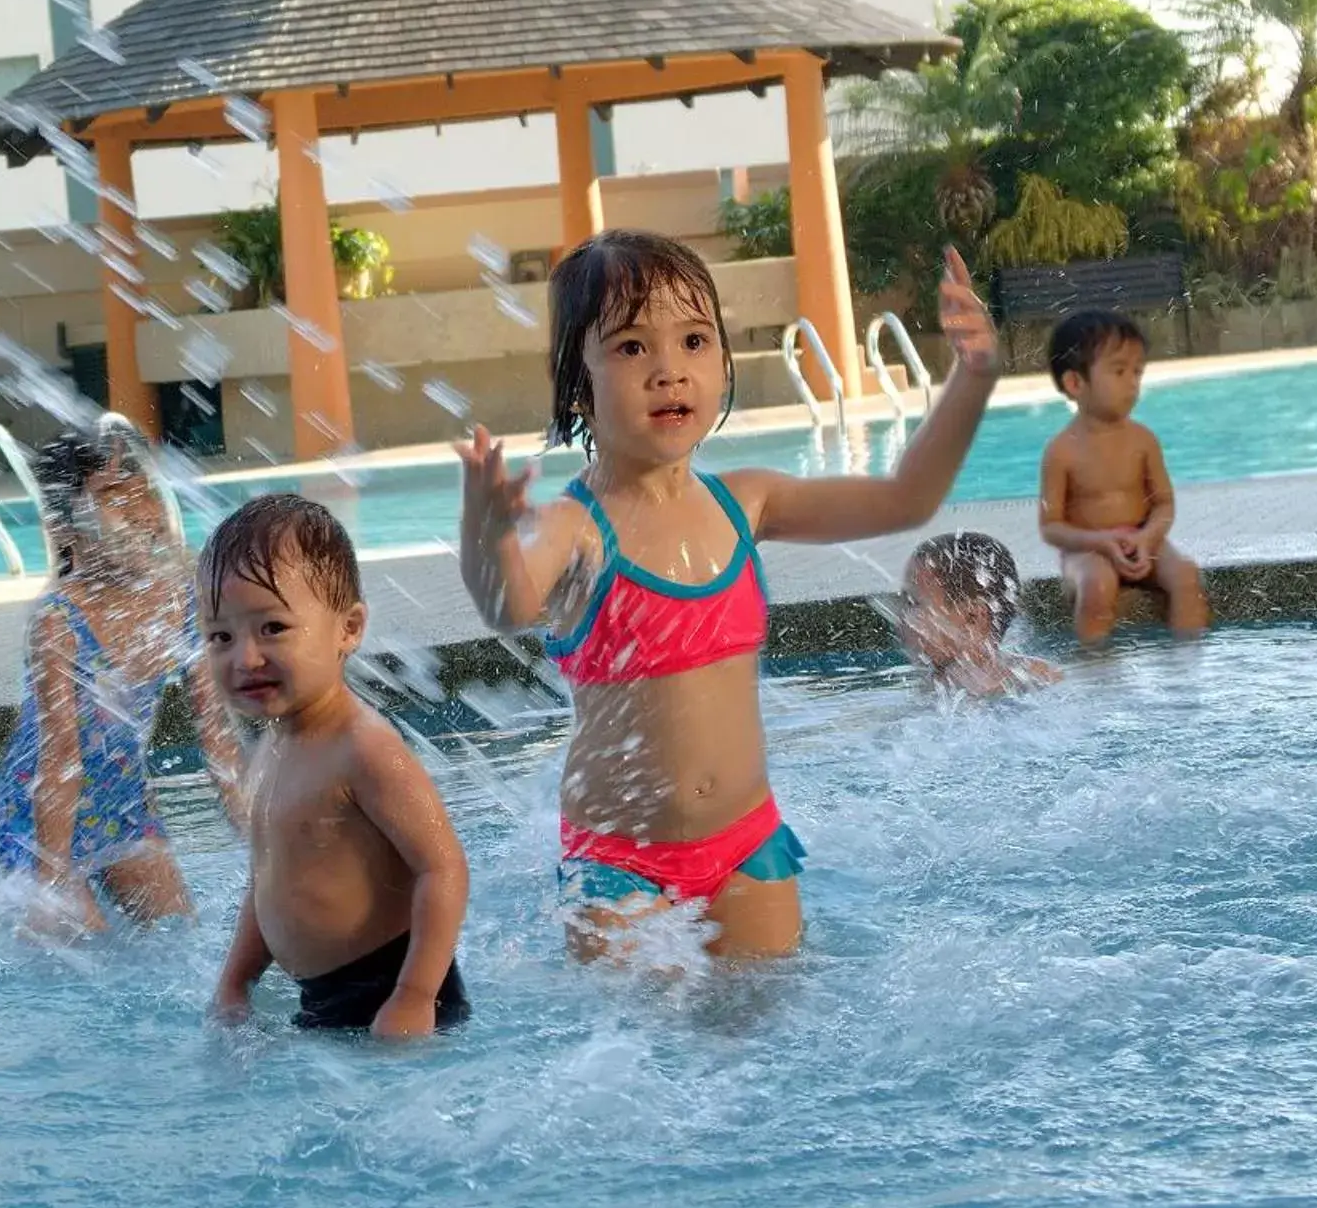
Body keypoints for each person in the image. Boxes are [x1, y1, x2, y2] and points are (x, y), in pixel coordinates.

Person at [457, 230, 1000, 963]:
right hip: (619, 865)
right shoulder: (576, 529)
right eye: (630, 348)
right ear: (578, 386)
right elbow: (509, 606)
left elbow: (905, 501)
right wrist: (486, 534)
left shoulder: (748, 502)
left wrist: (972, 382)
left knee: (767, 1038)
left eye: (693, 340)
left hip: (749, 846)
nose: (668, 372)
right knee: (634, 1049)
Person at [203, 494, 471, 1038]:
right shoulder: (267, 751)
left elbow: (442, 870)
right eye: (220, 637)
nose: (245, 657)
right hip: (322, 1000)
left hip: (397, 992)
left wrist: (414, 995)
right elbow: (269, 880)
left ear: (348, 628)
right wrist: (235, 982)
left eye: (272, 628)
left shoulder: (364, 748)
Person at [0, 428, 240, 935]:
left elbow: (219, 740)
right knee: (78, 954)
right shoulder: (59, 621)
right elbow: (60, 762)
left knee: (180, 937)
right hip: (39, 821)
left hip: (122, 807)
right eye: (111, 496)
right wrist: (51, 880)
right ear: (66, 530)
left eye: (142, 490)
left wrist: (269, 852)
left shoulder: (184, 599)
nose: (140, 511)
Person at [1036, 309, 1210, 642]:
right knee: (1097, 585)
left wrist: (1147, 538)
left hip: (1141, 541)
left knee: (1186, 575)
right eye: (1119, 371)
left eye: (1137, 372)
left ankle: (1190, 665)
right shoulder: (1061, 451)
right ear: (1075, 383)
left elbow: (1163, 504)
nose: (1132, 382)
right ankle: (1097, 673)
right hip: (1087, 551)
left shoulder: (1143, 441)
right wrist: (1099, 541)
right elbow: (1051, 526)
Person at [897, 531, 1061, 696]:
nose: (902, 618)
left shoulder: (1025, 681)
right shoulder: (937, 685)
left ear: (973, 618)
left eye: (916, 604)